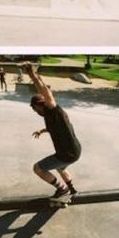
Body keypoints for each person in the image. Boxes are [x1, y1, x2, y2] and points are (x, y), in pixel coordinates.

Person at [22, 62, 81, 199]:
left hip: (67, 153)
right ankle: (72, 189)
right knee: (60, 168)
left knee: (38, 168)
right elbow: (54, 128)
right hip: (74, 151)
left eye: (34, 109)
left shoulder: (53, 110)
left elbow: (45, 90)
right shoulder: (52, 117)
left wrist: (31, 74)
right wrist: (42, 131)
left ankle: (62, 189)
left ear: (39, 105)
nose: (35, 112)